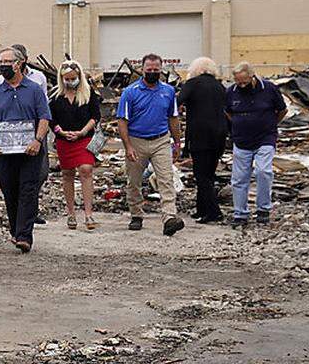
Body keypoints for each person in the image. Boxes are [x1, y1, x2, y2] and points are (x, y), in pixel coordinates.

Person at [0, 46, 51, 253]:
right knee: (9, 189)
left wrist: (38, 140)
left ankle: (24, 236)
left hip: (29, 150)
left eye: (7, 62)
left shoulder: (34, 89)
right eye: (0, 62)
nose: (3, 66)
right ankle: (15, 230)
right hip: (4, 152)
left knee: (28, 189)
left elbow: (44, 118)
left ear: (19, 64)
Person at [116, 53, 184, 236]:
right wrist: (128, 146)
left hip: (161, 140)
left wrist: (177, 142)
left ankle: (169, 217)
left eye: (156, 70)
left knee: (166, 179)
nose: (153, 72)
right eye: (149, 70)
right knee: (134, 181)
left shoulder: (168, 91)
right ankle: (136, 214)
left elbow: (173, 117)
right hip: (136, 140)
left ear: (161, 70)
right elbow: (122, 120)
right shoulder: (130, 92)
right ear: (142, 70)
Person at [225, 61, 286, 228]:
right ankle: (240, 213)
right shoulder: (231, 92)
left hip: (265, 138)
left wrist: (271, 125)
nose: (241, 85)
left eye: (244, 81)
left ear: (253, 76)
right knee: (239, 178)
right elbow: (228, 112)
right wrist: (239, 123)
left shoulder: (269, 89)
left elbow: (282, 110)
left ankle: (263, 209)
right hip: (241, 140)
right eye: (238, 81)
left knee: (263, 171)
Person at [48, 59, 100, 230]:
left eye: (73, 78)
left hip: (83, 137)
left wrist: (83, 131)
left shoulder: (88, 93)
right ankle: (71, 213)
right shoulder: (55, 97)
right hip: (64, 140)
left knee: (86, 170)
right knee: (67, 174)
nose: (70, 81)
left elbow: (95, 116)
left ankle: (88, 214)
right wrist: (60, 131)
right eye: (67, 79)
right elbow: (50, 118)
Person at [178, 57, 228, 224]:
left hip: (200, 135)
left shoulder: (192, 84)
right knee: (209, 173)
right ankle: (202, 209)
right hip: (220, 135)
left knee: (201, 176)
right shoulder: (220, 86)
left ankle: (214, 212)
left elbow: (177, 101)